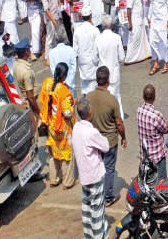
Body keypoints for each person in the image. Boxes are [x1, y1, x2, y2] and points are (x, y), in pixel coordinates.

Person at [71, 98, 110, 239]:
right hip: (95, 176)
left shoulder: (76, 128)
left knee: (87, 212)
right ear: (90, 112)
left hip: (85, 175)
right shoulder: (91, 132)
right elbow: (105, 146)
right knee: (97, 213)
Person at [86, 67, 125, 206]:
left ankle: (96, 194)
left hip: (94, 140)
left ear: (97, 80)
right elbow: (119, 124)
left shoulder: (88, 97)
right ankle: (108, 198)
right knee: (109, 169)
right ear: (108, 80)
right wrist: (124, 137)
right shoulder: (112, 100)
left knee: (97, 168)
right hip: (110, 141)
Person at [39, 63, 76, 189]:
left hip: (50, 126)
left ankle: (54, 179)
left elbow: (41, 100)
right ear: (64, 77)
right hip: (62, 128)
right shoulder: (63, 92)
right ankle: (67, 181)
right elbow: (67, 113)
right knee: (67, 154)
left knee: (53, 153)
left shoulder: (47, 83)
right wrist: (73, 105)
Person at [136, 84, 168, 180]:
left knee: (148, 182)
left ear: (143, 96)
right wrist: (166, 125)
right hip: (157, 157)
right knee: (161, 183)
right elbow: (165, 129)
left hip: (145, 156)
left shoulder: (139, 111)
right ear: (154, 97)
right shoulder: (156, 115)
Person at [96, 16, 126, 118]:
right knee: (117, 97)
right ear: (111, 25)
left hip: (102, 74)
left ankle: (106, 118)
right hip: (114, 73)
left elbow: (94, 59)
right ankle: (119, 117)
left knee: (104, 98)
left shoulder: (98, 38)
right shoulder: (117, 37)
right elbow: (122, 57)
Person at [73, 6, 101, 95]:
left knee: (84, 87)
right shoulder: (95, 30)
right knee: (93, 86)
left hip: (82, 61)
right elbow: (99, 47)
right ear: (91, 17)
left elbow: (75, 49)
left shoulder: (77, 31)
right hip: (93, 62)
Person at [125, 0, 151, 64]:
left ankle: (142, 55)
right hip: (134, 21)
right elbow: (128, 9)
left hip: (140, 19)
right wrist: (130, 23)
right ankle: (129, 58)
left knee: (141, 37)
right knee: (134, 39)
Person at [12, 40, 40, 117]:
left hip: (24, 101)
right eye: (29, 49)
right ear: (26, 52)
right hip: (31, 104)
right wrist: (39, 113)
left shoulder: (16, 65)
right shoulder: (27, 71)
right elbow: (30, 96)